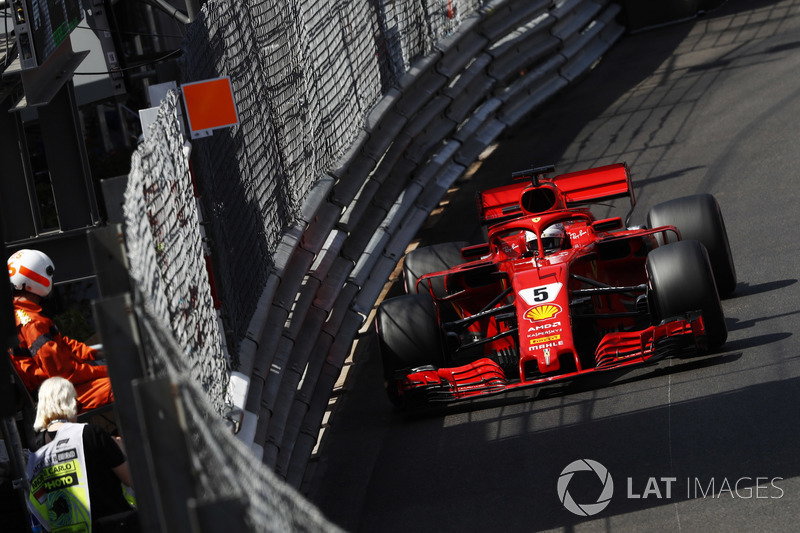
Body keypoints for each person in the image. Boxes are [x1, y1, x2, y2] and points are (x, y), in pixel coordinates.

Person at [26, 377, 138, 532]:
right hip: (114, 523)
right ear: (70, 404)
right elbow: (134, 480)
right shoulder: (90, 433)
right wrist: (121, 450)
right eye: (78, 405)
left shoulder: (35, 448)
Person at [8, 249, 113, 411]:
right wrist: (106, 369)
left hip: (53, 391)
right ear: (36, 277)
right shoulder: (32, 322)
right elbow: (63, 373)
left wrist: (95, 354)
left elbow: (63, 345)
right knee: (122, 381)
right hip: (58, 395)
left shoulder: (19, 315)